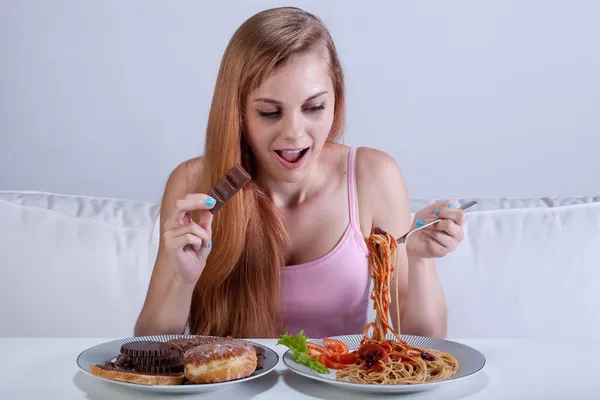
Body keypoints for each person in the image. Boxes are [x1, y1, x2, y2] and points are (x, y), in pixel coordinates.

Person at [134, 7, 467, 340]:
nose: (294, 132)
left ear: (336, 100)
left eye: (313, 108)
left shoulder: (373, 177)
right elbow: (147, 345)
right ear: (237, 112)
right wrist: (183, 281)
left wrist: (420, 260)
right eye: (269, 112)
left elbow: (427, 342)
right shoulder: (195, 185)